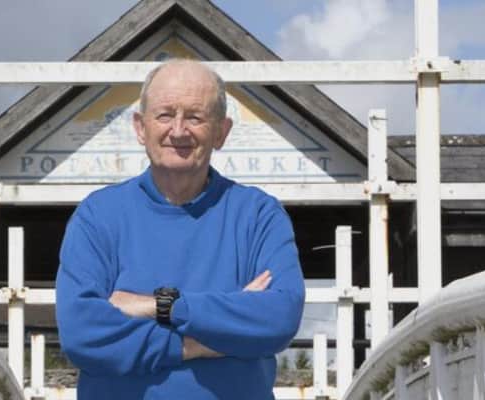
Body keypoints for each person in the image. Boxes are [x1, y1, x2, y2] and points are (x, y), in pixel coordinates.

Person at [55, 59, 305, 399]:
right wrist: (198, 343)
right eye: (164, 115)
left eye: (195, 117)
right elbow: (82, 334)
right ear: (140, 127)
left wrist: (163, 306)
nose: (178, 130)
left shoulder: (258, 214)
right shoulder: (98, 215)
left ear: (221, 132)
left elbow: (278, 317)